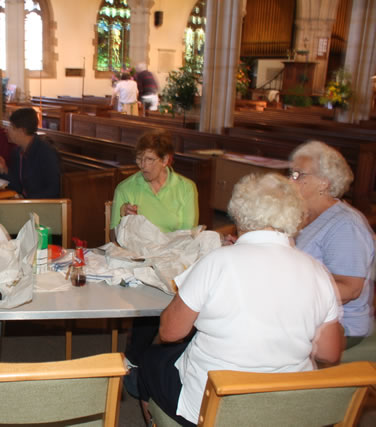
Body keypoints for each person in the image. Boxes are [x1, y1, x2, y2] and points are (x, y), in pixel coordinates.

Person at [138, 173, 343, 426]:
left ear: (239, 212)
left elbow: (170, 332)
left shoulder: (217, 262)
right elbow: (330, 353)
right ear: (293, 215)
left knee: (150, 360)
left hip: (219, 407)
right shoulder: (317, 271)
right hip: (289, 408)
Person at [110, 131, 198, 378]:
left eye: (149, 159)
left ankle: (173, 360)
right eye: (139, 159)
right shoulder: (127, 187)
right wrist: (124, 220)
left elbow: (187, 234)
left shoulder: (185, 188)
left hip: (173, 257)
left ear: (166, 160)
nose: (143, 166)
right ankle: (138, 361)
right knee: (148, 296)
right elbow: (115, 239)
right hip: (142, 259)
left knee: (187, 291)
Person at [290, 140, 374, 347]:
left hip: (340, 327)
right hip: (303, 313)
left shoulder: (346, 225)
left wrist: (289, 293)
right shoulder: (300, 214)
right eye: (290, 173)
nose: (289, 181)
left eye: (298, 174)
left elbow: (350, 289)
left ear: (324, 182)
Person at [0, 107, 61, 198]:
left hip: (42, 206)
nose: (6, 130)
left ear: (22, 130)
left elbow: (53, 190)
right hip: (27, 203)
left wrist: (26, 200)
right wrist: (2, 168)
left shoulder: (46, 152)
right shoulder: (17, 152)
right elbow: (17, 186)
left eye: (11, 127)